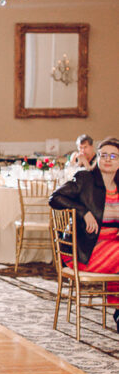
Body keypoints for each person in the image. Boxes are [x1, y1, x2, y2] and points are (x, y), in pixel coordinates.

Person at [50, 136, 119, 331]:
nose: (107, 159)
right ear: (97, 157)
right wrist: (84, 212)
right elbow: (55, 197)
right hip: (83, 250)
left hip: (113, 246)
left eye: (113, 156)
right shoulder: (84, 178)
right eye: (103, 155)